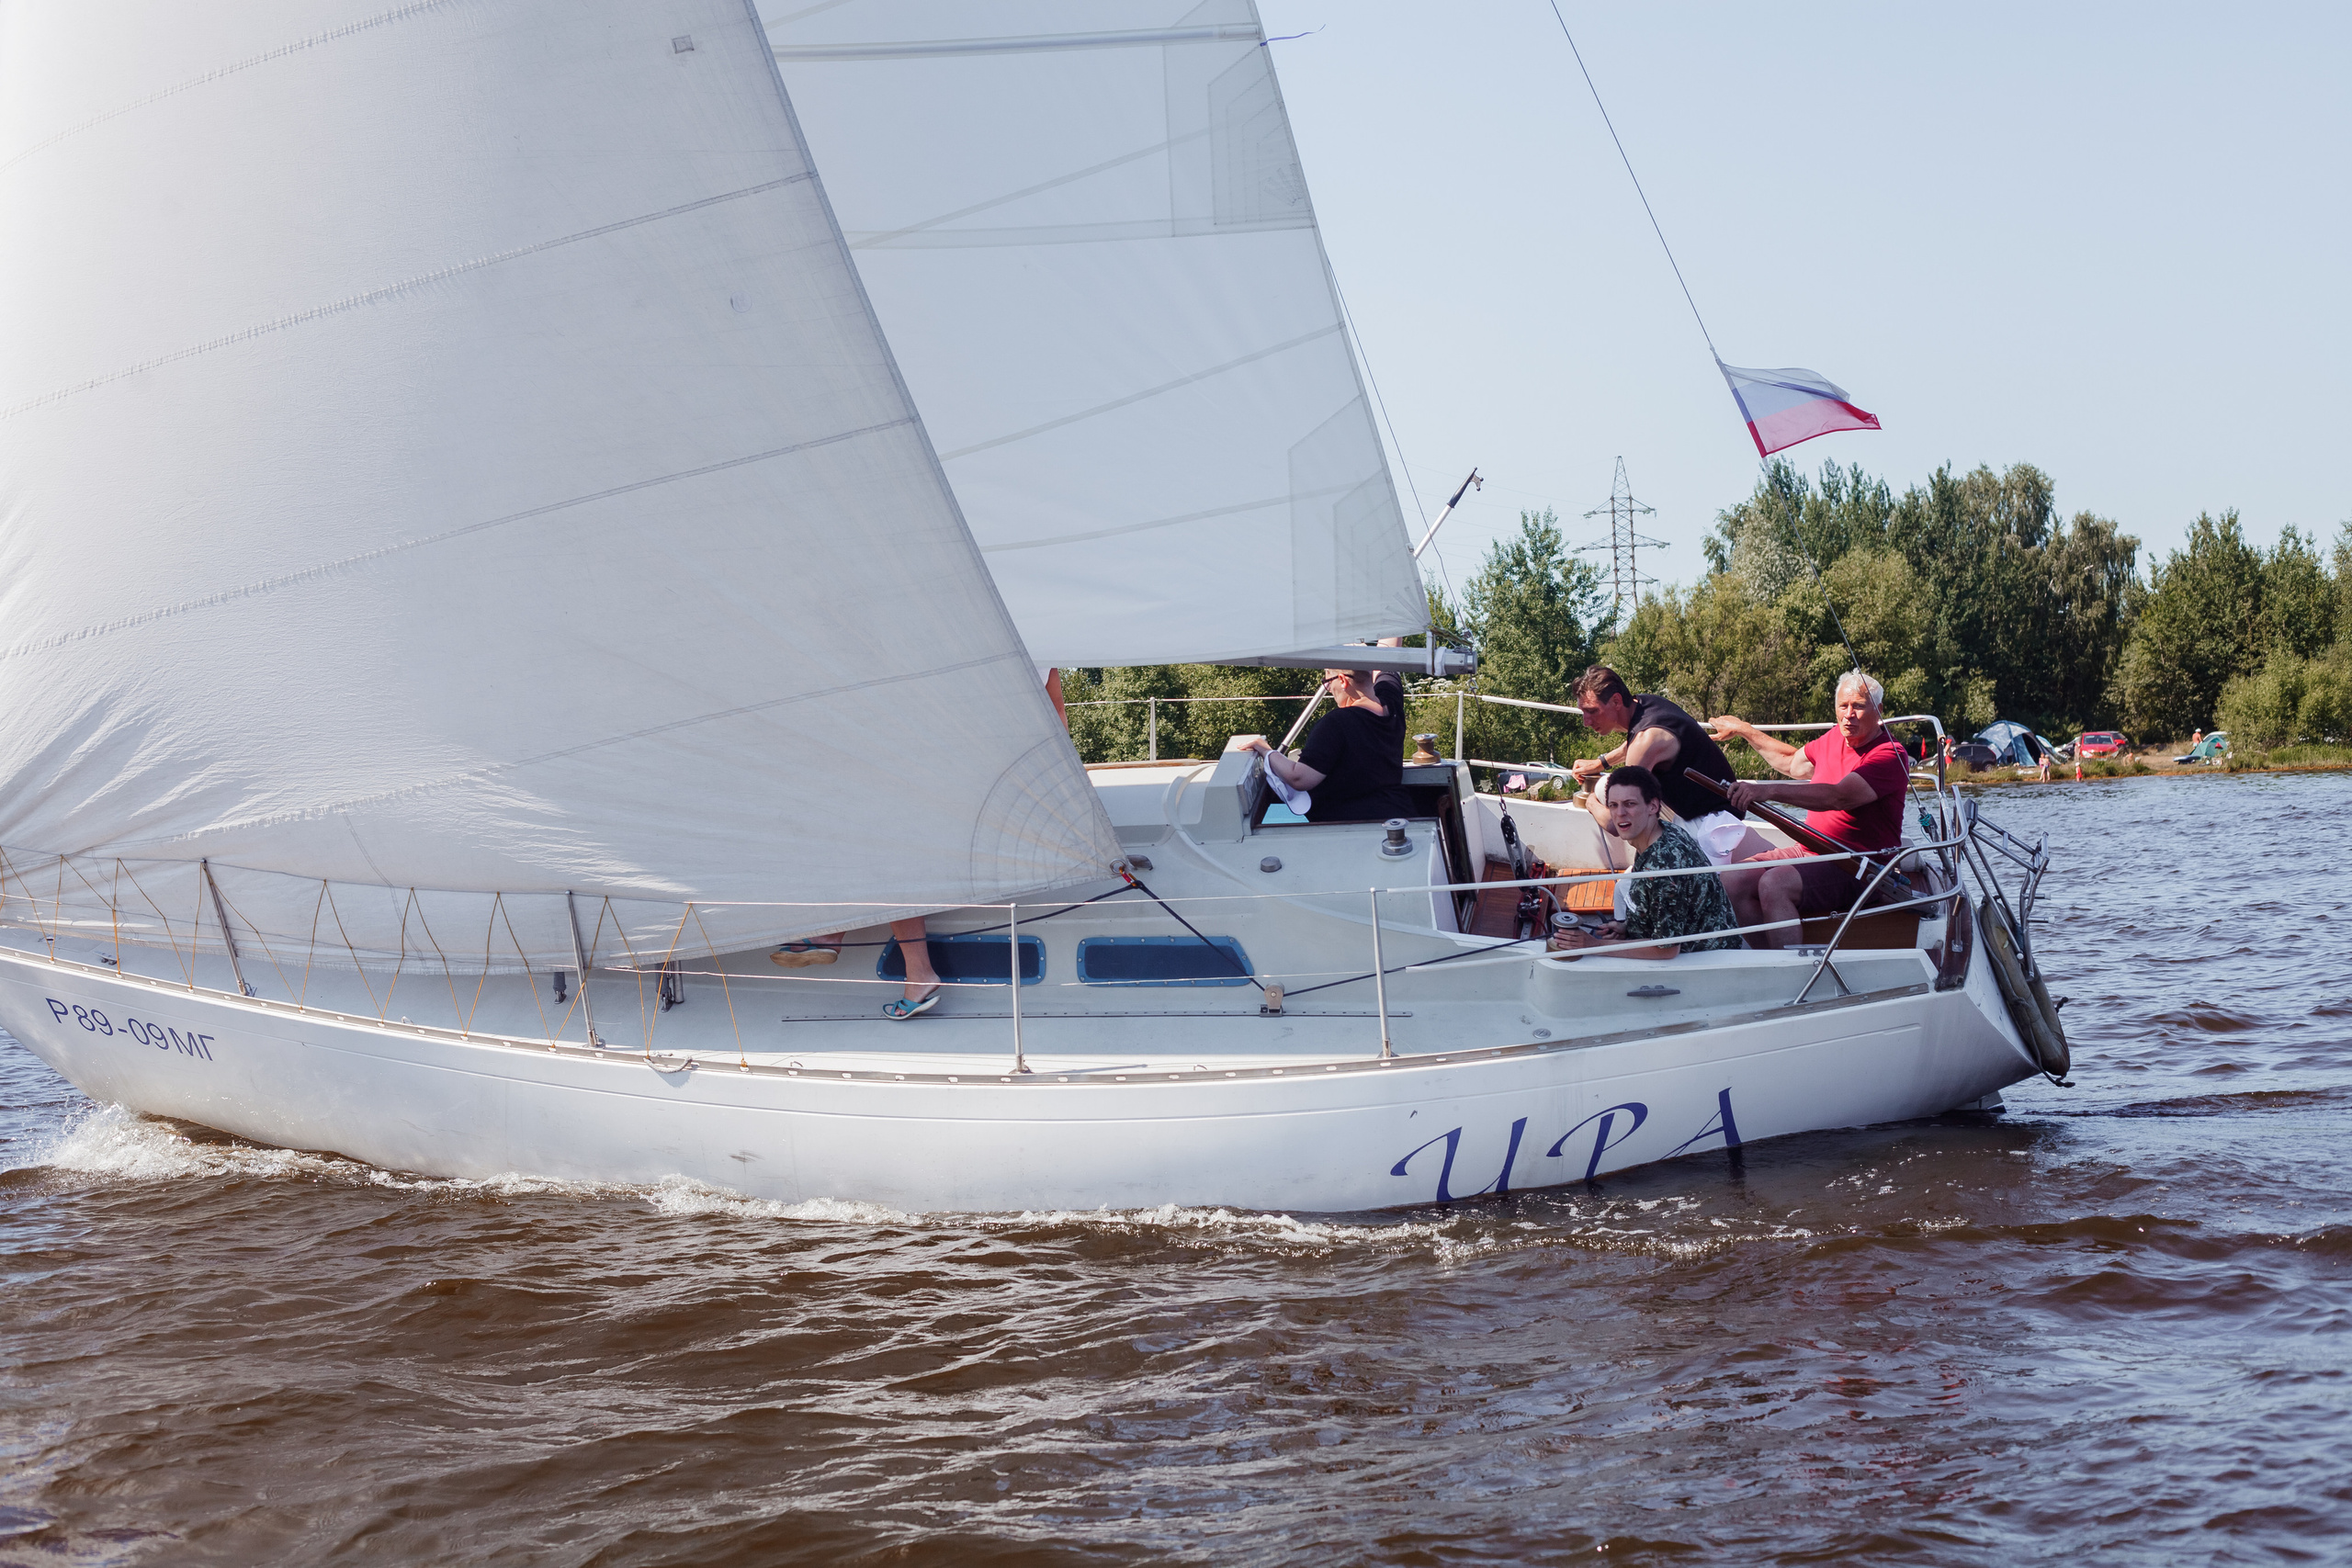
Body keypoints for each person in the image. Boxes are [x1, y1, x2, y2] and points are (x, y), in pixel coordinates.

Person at [1709, 671, 1913, 949]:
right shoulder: (1833, 738)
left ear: (1878, 711)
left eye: (1859, 706)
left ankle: (1792, 970)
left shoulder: (1890, 754)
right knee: (1731, 879)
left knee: (1774, 884)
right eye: (1843, 706)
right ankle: (1768, 956)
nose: (1848, 714)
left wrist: (1767, 790)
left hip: (1860, 865)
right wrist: (1745, 729)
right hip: (1810, 850)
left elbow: (1839, 796)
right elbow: (1792, 762)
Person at [1566, 666, 1772, 865]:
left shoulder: (1646, 740)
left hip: (1710, 826)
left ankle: (1663, 864)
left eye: (1591, 711)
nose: (1586, 721)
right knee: (1608, 786)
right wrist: (1601, 762)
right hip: (1709, 806)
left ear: (1616, 701)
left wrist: (1590, 802)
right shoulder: (1646, 705)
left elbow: (1621, 825)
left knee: (1605, 794)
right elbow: (1634, 743)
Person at [1548, 766, 1743, 960]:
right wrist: (1627, 927)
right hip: (1687, 941)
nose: (1620, 813)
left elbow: (1666, 949)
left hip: (1704, 959)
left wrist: (1593, 945)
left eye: (1629, 804)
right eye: (1613, 805)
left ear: (1653, 806)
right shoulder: (1661, 832)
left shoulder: (1664, 869)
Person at [1238, 665, 1411, 824]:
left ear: (1342, 680)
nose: (1328, 689)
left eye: (1327, 681)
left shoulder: (1337, 723)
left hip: (1356, 827)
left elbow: (1299, 778)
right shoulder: (1392, 701)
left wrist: (1264, 749)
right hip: (1401, 818)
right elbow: (1388, 655)